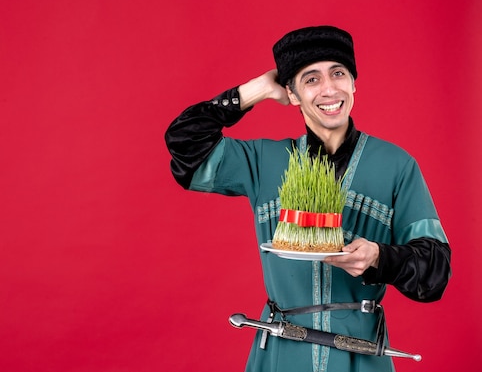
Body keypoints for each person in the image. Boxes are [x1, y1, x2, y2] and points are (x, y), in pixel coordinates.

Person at [164, 25, 451, 372]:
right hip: (280, 351)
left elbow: (435, 273)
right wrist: (254, 91)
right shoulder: (263, 162)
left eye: (338, 73)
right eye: (311, 79)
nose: (329, 88)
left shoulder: (397, 165)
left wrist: (379, 257)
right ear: (293, 94)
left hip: (359, 352)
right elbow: (183, 143)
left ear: (354, 84)